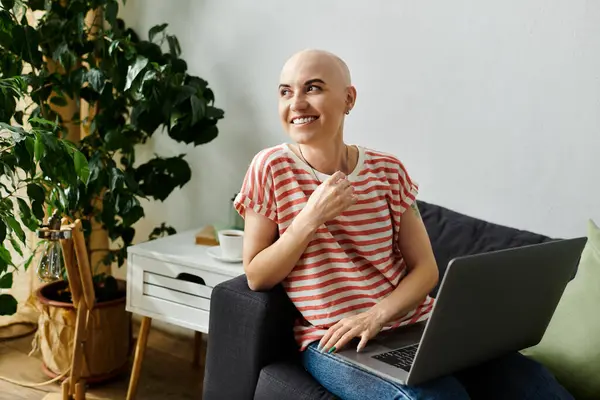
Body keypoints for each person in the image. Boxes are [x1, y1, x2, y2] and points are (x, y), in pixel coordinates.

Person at [233, 49, 572, 400]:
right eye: (285, 92)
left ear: (348, 98)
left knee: (535, 384)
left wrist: (377, 315)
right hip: (336, 340)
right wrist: (310, 217)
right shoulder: (270, 168)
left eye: (313, 88)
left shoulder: (388, 171)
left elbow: (425, 270)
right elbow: (257, 274)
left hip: (420, 328)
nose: (297, 103)